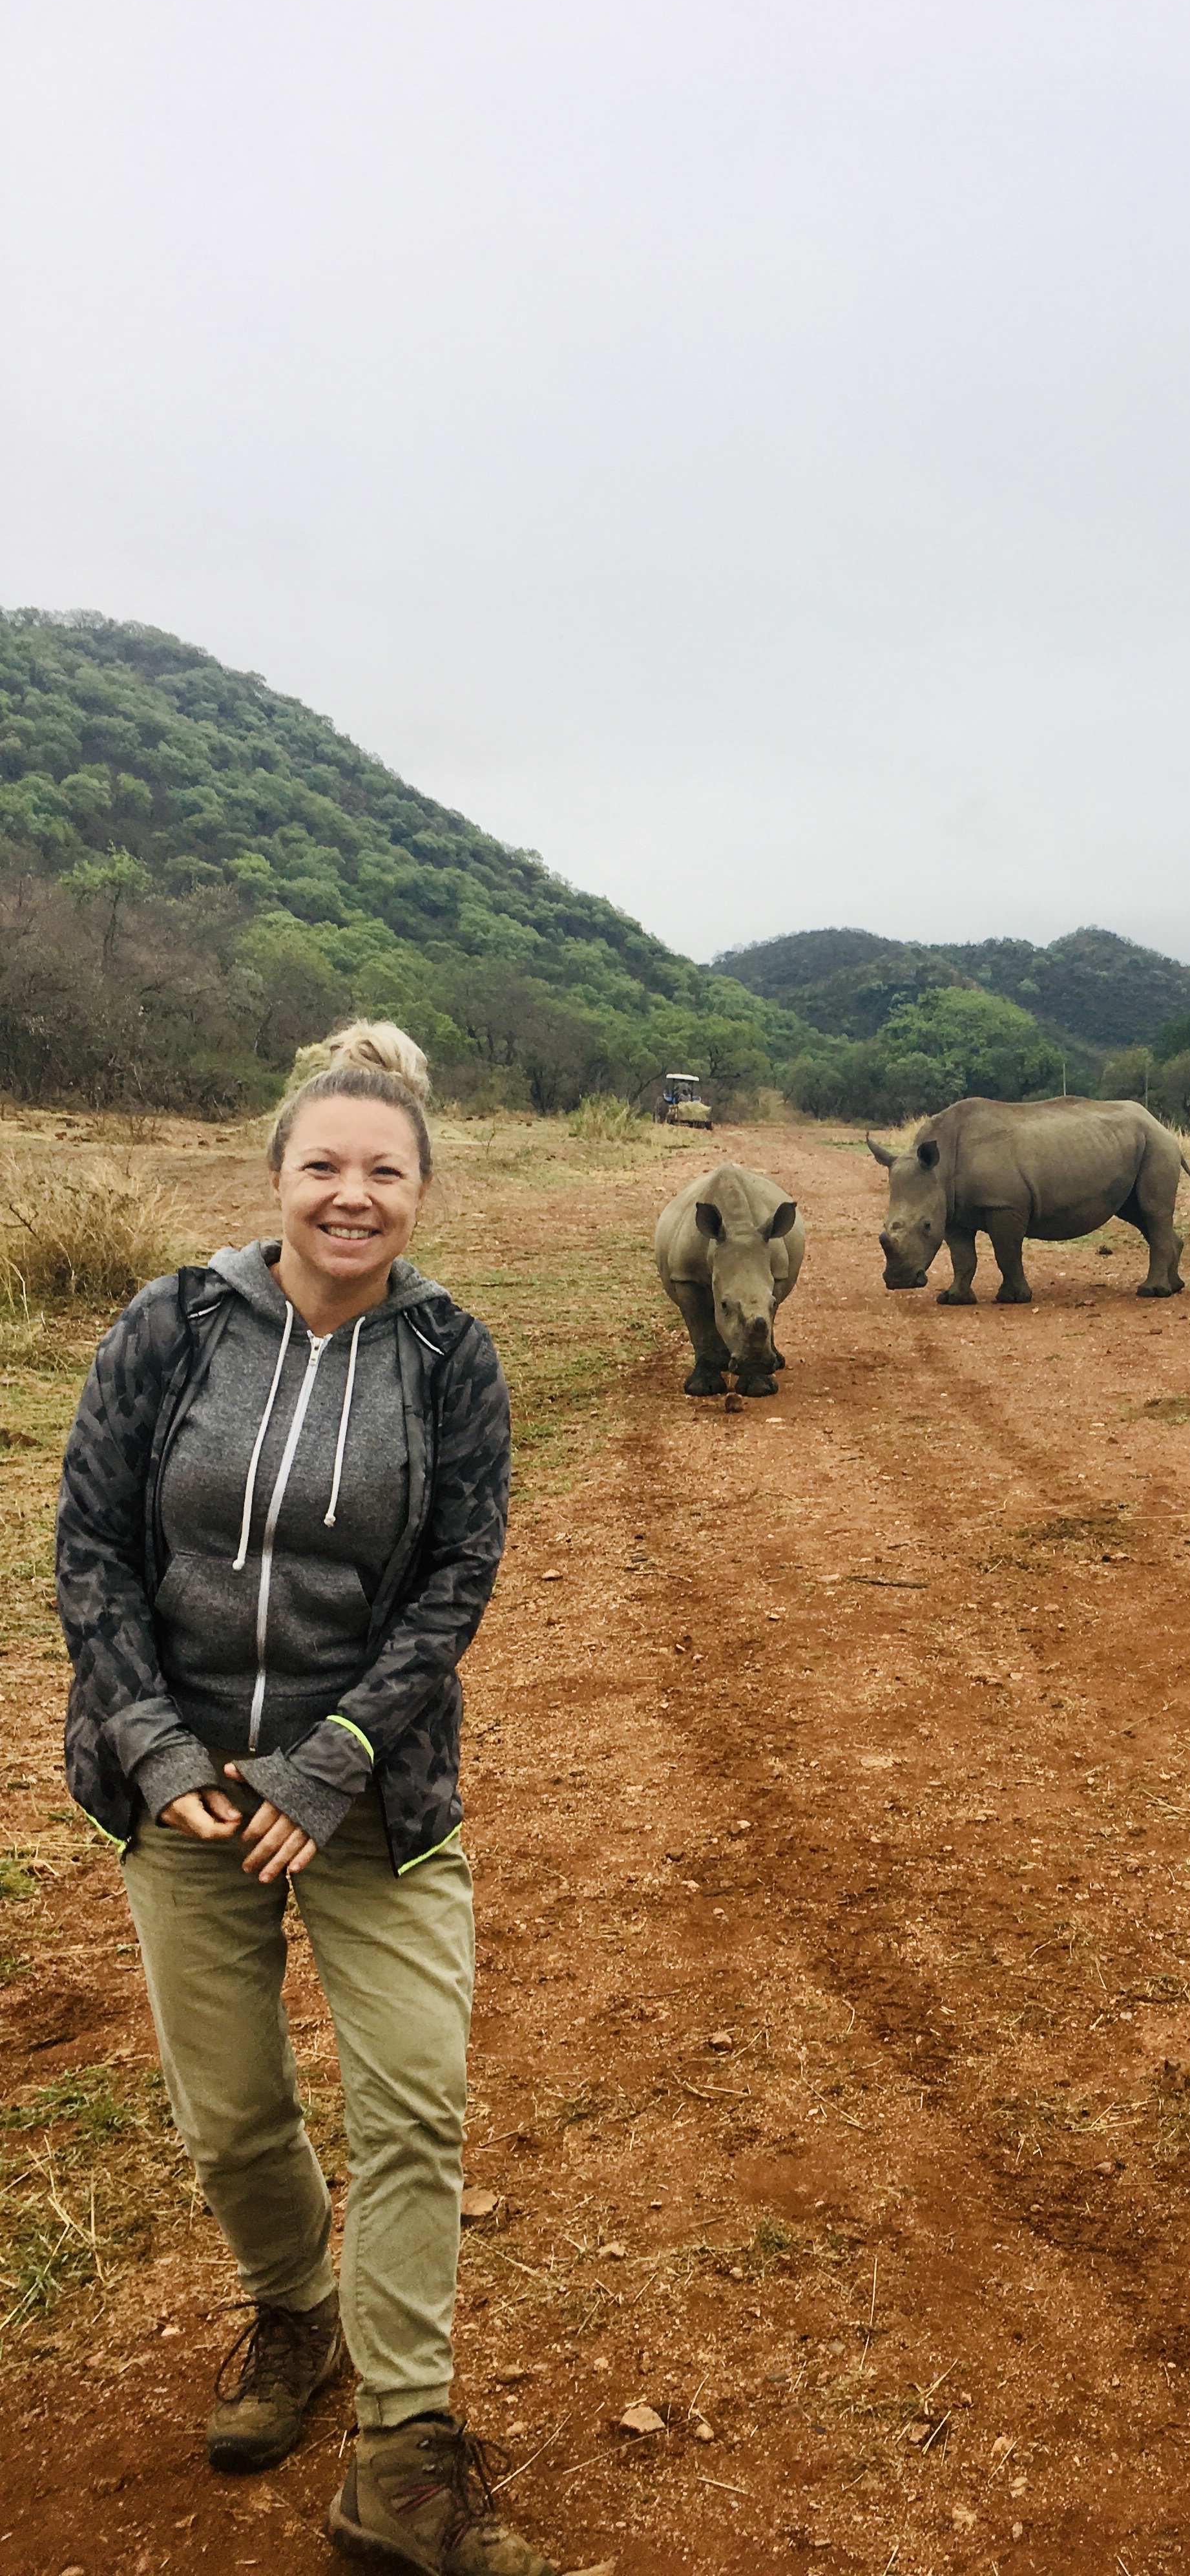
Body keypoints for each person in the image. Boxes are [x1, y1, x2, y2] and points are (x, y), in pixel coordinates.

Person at [56, 1021, 557, 2576]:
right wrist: (150, 1743)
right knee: (230, 2115)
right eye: (325, 1166)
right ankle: (295, 2317)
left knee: (412, 2096)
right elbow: (90, 1550)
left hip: (371, 1794)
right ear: (276, 1175)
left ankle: (405, 2449)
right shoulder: (171, 1324)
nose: (354, 1195)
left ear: (422, 1193)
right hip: (185, 1792)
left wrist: (336, 1756)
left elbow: (458, 1575)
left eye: (385, 1172)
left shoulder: (448, 1354)